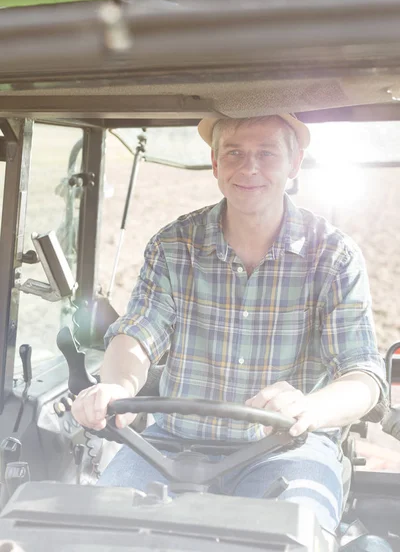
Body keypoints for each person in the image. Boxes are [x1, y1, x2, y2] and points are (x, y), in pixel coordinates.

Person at [72, 113, 388, 536]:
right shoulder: (174, 245)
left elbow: (364, 376)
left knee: (292, 535)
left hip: (286, 449)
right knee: (97, 534)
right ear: (215, 164)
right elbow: (137, 334)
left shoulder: (333, 256)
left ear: (294, 165)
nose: (249, 167)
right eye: (234, 153)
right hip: (169, 445)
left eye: (267, 153)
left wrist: (308, 408)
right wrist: (117, 387)